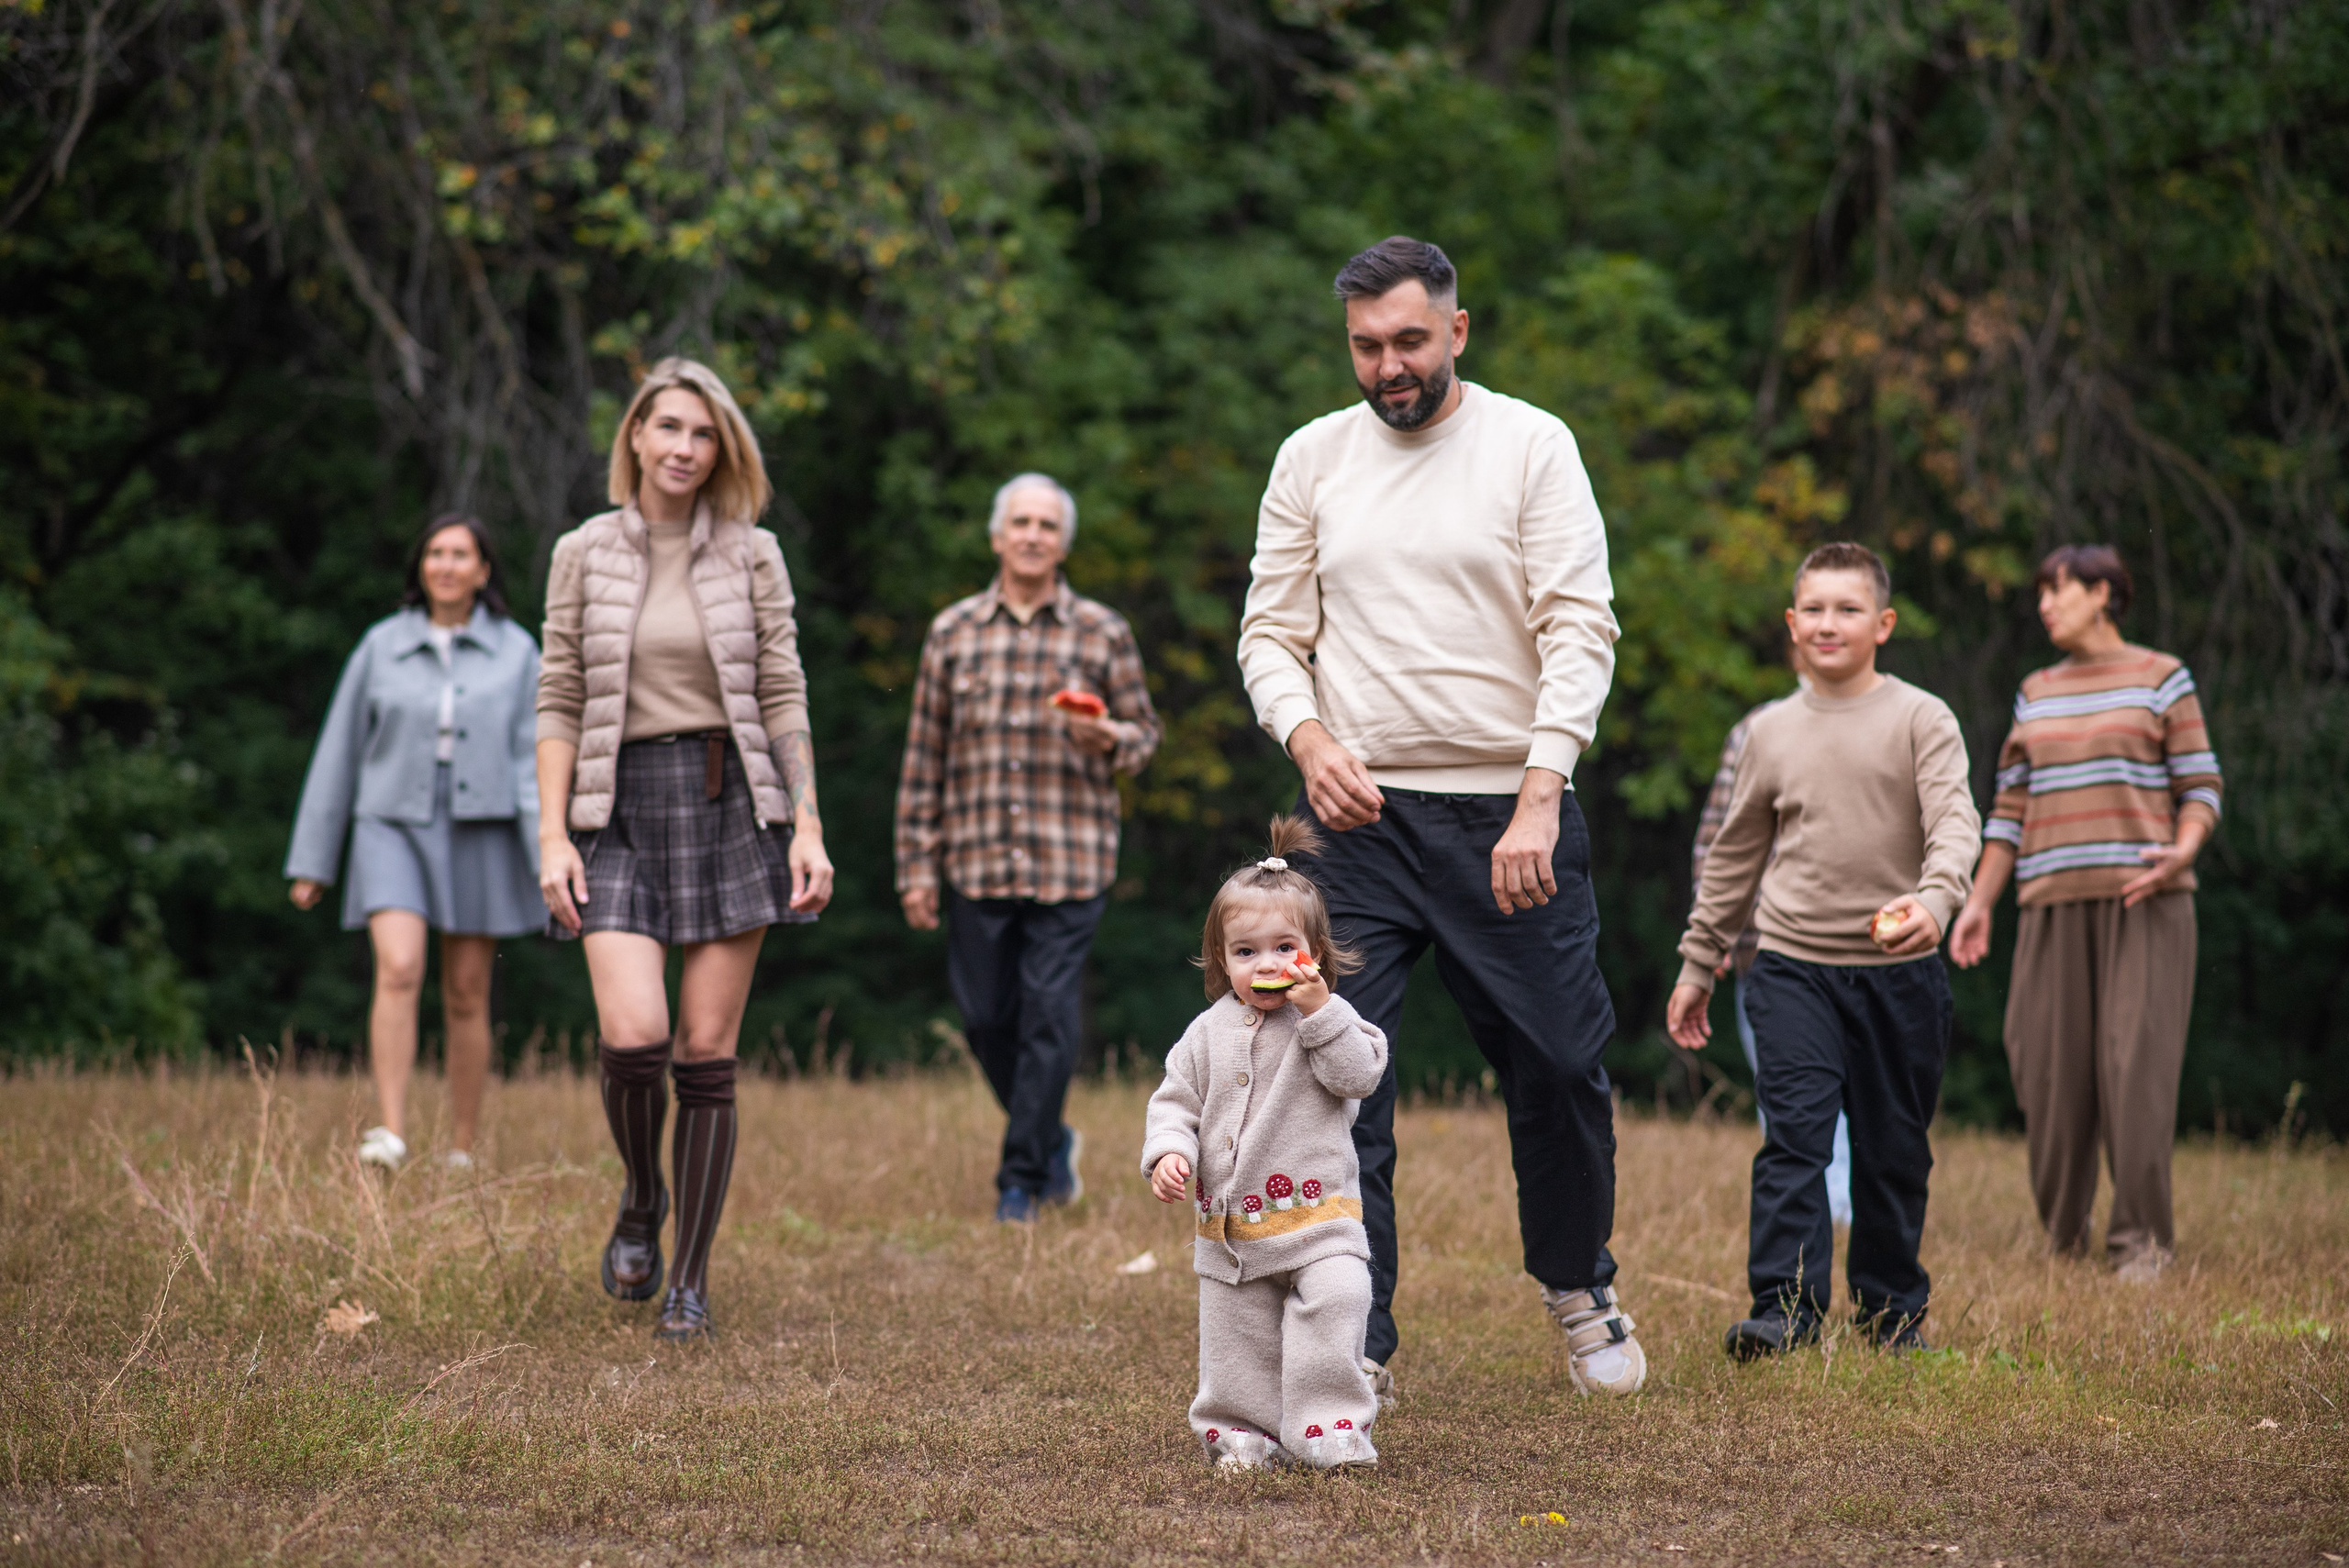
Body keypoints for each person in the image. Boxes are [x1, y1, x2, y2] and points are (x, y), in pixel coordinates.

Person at [1236, 236, 1645, 1398]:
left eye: (1410, 340)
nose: (1389, 365)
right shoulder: (1312, 456)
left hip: (1508, 813)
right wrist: (1307, 740)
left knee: (1561, 1063)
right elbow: (1270, 630)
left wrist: (1539, 789)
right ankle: (1353, 1334)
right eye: (1366, 346)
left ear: (1456, 331)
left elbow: (1580, 624)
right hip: (1356, 821)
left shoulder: (1530, 444)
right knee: (1331, 1075)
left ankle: (1578, 1283)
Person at [537, 356, 834, 1341]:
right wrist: (552, 835)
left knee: (706, 1051)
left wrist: (808, 824)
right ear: (634, 434)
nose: (683, 447)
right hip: (612, 805)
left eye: (702, 434)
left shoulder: (753, 553)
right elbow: (560, 697)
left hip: (726, 803)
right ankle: (639, 1196)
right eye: (667, 426)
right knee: (633, 1035)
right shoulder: (583, 551)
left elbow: (784, 692)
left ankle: (691, 1280)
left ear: (721, 451)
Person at [1666, 542, 1979, 1359]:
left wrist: (1938, 897)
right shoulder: (1769, 732)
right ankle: (1784, 1311)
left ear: (1883, 623)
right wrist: (1701, 963)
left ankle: (1890, 1313)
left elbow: (1955, 823)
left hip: (1900, 974)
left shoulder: (1922, 718)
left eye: (1848, 609)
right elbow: (1733, 857)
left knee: (1891, 1149)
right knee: (1796, 1140)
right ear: (1792, 623)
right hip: (1791, 967)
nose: (1828, 623)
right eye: (1814, 608)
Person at [1947, 545, 2220, 1284]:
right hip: (2048, 905)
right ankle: (2063, 1237)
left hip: (2146, 903)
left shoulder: (2161, 676)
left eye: (2058, 591)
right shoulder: (2036, 690)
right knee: (2046, 1070)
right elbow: (2008, 810)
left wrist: (2182, 851)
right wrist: (1978, 902)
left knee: (2136, 1069)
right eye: (2040, 593)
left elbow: (2201, 786)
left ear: (2104, 593)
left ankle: (2141, 1244)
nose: (2044, 605)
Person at [895, 473, 1162, 1222]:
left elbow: (1144, 736)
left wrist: (1108, 735)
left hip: (1070, 859)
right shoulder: (953, 632)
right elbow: (924, 756)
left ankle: (1021, 1181)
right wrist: (915, 864)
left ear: (1064, 542)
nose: (1034, 535)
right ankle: (1049, 1140)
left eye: (1048, 524)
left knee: (1049, 1014)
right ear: (997, 535)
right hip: (975, 858)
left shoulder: (1101, 631)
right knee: (985, 1018)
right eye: (1021, 521)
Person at [285, 515, 541, 1171]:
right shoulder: (379, 645)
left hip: (481, 829)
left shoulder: (518, 652)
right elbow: (339, 751)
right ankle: (392, 1133)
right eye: (435, 552)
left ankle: (462, 1144)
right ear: (420, 566)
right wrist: (314, 858)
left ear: (485, 571)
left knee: (466, 989)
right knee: (399, 967)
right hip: (390, 823)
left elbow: (531, 761)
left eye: (462, 554)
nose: (447, 565)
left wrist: (548, 858)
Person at [1142, 817, 1389, 1472]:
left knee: (1338, 1299)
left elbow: (1359, 1075)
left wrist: (1321, 1012)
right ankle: (1243, 1430)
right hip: (1234, 1229)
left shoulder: (1331, 1020)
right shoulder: (1205, 1033)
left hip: (1322, 1219)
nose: (1268, 964)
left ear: (1316, 953)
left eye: (1285, 947)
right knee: (1237, 1337)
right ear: (1222, 959)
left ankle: (1328, 1423)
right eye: (1246, 951)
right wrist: (1172, 1151)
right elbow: (1175, 1103)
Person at [1694, 681, 1854, 1228]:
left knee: (1858, 1091)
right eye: (1813, 612)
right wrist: (1711, 933)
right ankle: (1812, 1214)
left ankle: (1848, 1212)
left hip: (1867, 947)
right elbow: (1719, 841)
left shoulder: (1899, 720)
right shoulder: (1756, 730)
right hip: (1765, 947)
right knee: (1785, 1093)